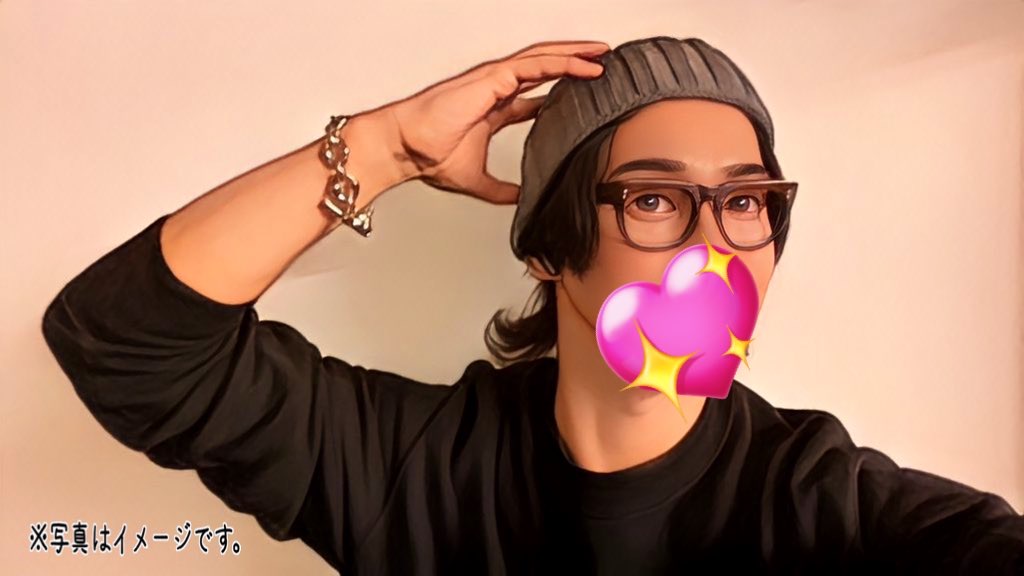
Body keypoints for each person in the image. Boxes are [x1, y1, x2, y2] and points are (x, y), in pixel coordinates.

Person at [41, 36, 1024, 575]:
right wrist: (387, 147)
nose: (714, 244)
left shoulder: (826, 507)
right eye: (652, 200)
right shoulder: (412, 470)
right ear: (550, 248)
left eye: (744, 202)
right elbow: (126, 342)